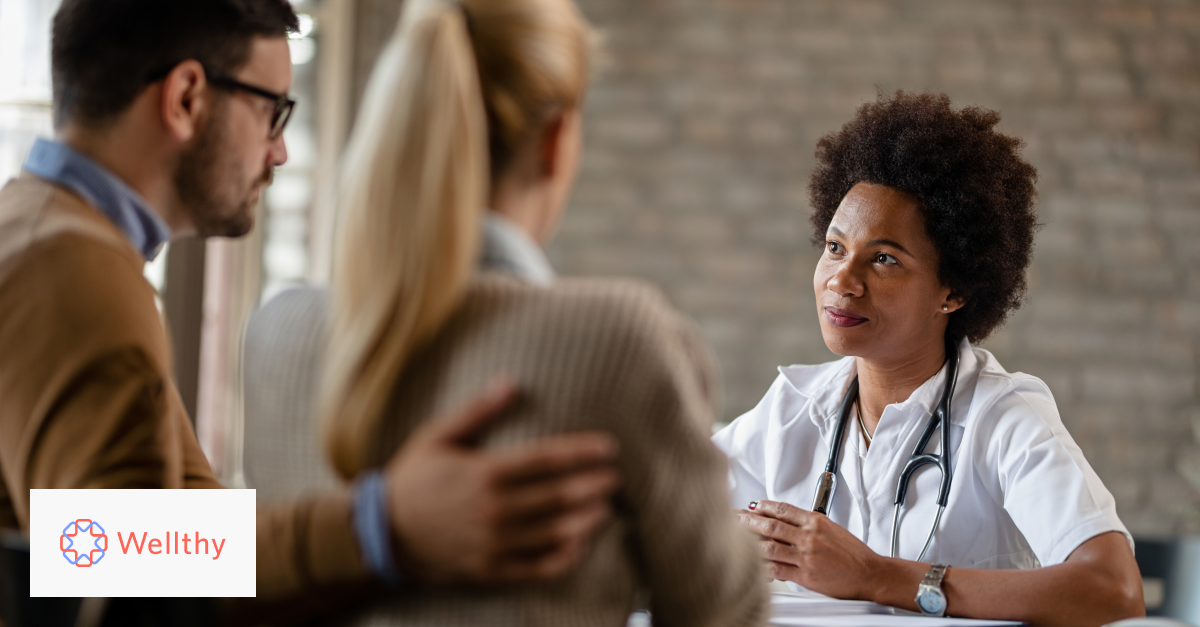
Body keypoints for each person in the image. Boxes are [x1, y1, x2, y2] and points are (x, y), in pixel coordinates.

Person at [0, 0, 620, 619]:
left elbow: (170, 532)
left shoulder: (35, 228)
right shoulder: (70, 271)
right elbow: (113, 568)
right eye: (272, 112)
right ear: (186, 97)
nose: (280, 153)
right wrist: (384, 525)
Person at [245, 0, 768, 624]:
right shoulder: (620, 341)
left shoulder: (275, 331)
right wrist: (381, 525)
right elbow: (723, 615)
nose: (275, 153)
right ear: (555, 142)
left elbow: (136, 560)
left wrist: (373, 528)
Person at [714, 91, 1144, 627]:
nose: (841, 282)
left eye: (885, 258)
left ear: (953, 290)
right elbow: (663, 503)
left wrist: (876, 576)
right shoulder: (795, 407)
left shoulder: (1003, 418)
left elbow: (1114, 589)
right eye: (835, 247)